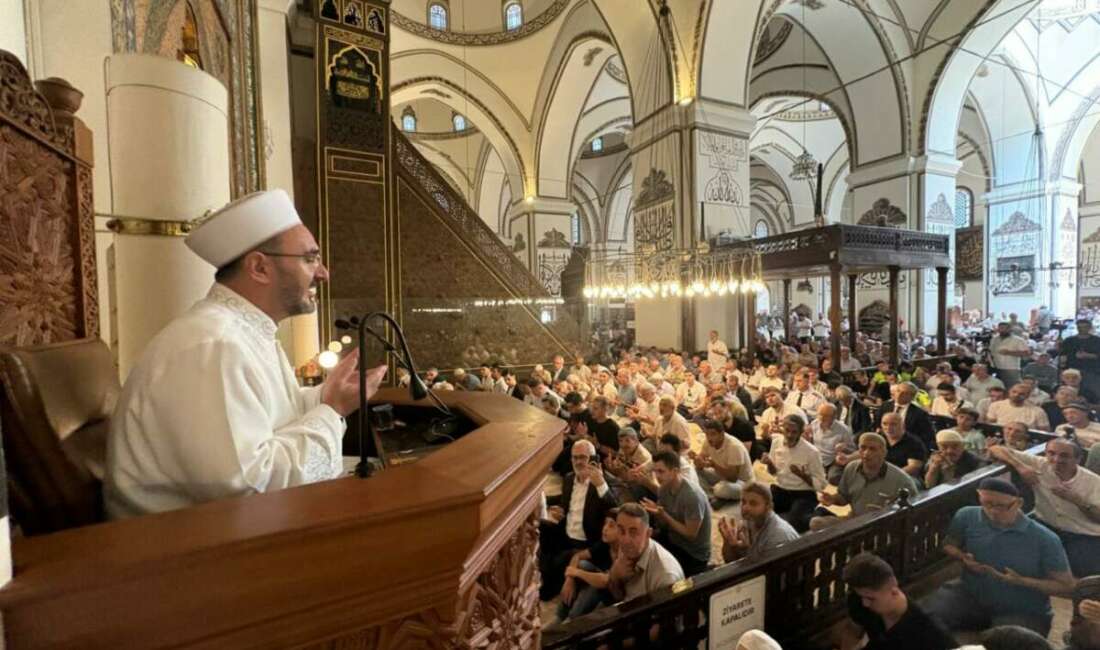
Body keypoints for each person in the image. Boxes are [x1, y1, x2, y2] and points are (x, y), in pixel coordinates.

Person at [106, 190, 388, 518]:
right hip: (189, 552)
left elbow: (274, 419)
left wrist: (327, 395)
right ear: (259, 268)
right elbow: (248, 486)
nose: (323, 273)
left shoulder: (246, 332)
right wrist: (331, 409)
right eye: (310, 259)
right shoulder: (214, 344)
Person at [922, 478, 1075, 638]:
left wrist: (1021, 581)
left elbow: (1066, 587)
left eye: (1002, 506)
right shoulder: (967, 515)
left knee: (1009, 642)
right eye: (987, 504)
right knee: (923, 619)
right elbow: (948, 544)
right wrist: (962, 557)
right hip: (970, 594)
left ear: (1019, 503)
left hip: (1023, 610)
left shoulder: (1045, 539)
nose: (993, 511)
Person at [990, 437, 1100, 577]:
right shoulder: (1040, 464)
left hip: (1082, 534)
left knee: (1083, 572)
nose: (1056, 459)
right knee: (1006, 551)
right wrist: (1021, 467)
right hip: (1047, 525)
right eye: (1051, 453)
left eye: (1064, 456)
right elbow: (996, 449)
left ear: (1078, 459)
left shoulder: (1094, 482)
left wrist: (1078, 501)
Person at [539, 440, 619, 600]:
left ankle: (548, 590)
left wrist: (600, 484)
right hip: (567, 532)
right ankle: (546, 574)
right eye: (575, 458)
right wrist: (560, 511)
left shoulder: (605, 482)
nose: (578, 462)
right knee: (540, 529)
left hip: (587, 542)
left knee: (560, 559)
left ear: (592, 459)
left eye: (583, 457)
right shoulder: (569, 479)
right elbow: (564, 502)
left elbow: (615, 509)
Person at [842, 552, 956, 650]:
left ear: (894, 591)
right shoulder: (859, 601)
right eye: (861, 596)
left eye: (871, 598)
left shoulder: (931, 634)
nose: (865, 603)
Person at [814, 433, 918, 531]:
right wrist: (832, 499)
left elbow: (912, 515)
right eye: (863, 448)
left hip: (882, 527)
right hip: (854, 521)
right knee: (816, 523)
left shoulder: (901, 480)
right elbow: (844, 497)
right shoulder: (851, 467)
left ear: (884, 453)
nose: (866, 453)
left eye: (872, 449)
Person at [641, 451, 713, 576]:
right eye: (655, 471)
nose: (657, 476)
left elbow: (691, 534)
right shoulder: (663, 488)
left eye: (661, 471)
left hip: (693, 553)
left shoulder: (692, 496)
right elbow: (663, 525)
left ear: (675, 471)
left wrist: (664, 515)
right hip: (673, 539)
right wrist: (657, 515)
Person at [762, 414, 827, 532]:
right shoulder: (776, 442)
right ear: (782, 428)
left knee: (794, 526)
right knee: (761, 515)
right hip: (781, 489)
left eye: (794, 432)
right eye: (787, 430)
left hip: (803, 494)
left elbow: (822, 485)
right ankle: (789, 513)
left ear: (801, 432)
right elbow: (774, 473)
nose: (790, 435)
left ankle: (820, 512)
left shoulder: (811, 452)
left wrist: (802, 475)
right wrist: (769, 464)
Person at [607, 503, 684, 602]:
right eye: (621, 530)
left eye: (633, 532)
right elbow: (617, 596)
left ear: (648, 534)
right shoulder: (627, 548)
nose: (625, 540)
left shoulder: (665, 577)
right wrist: (615, 575)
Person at [556, 510, 619, 623]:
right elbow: (578, 556)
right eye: (605, 523)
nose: (605, 528)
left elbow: (605, 581)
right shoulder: (605, 544)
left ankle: (570, 621)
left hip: (616, 596)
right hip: (603, 586)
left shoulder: (625, 551)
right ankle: (560, 617)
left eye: (611, 525)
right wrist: (569, 579)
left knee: (595, 584)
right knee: (582, 565)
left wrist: (575, 572)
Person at [718, 482, 799, 563]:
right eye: (743, 502)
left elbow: (761, 571)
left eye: (753, 504)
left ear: (769, 507)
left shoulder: (778, 537)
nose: (746, 508)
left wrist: (745, 552)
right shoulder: (749, 521)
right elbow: (729, 561)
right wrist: (728, 543)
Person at [692, 419, 753, 504]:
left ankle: (718, 494)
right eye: (707, 434)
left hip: (741, 483)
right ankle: (711, 497)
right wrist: (696, 460)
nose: (709, 438)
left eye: (713, 434)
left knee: (722, 490)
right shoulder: (708, 442)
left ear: (721, 434)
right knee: (694, 471)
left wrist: (713, 465)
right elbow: (700, 463)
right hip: (721, 476)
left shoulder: (734, 447)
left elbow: (733, 478)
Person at [875, 382, 934, 449]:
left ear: (912, 397)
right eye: (898, 391)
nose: (899, 395)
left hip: (907, 446)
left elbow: (927, 436)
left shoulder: (920, 414)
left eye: (904, 393)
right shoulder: (885, 406)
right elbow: (877, 424)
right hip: (884, 443)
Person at [808, 403, 854, 484]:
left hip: (833, 460)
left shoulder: (843, 429)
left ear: (834, 417)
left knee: (833, 478)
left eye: (826, 416)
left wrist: (844, 447)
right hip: (817, 458)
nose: (822, 418)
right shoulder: (814, 424)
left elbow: (853, 449)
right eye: (820, 414)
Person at [879, 411, 928, 479]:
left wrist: (889, 477)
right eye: (885, 424)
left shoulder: (914, 442)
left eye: (893, 424)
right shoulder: (878, 439)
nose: (888, 427)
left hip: (907, 478)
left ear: (903, 425)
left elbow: (914, 468)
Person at [985, 383, 1051, 431]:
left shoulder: (1038, 411)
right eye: (1014, 392)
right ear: (1009, 391)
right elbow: (990, 426)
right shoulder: (996, 406)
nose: (1016, 395)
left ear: (1027, 396)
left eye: (1021, 394)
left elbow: (1044, 432)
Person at [1062, 319, 1100, 398]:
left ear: (1089, 328)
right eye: (1079, 327)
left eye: (1084, 327)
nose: (1082, 329)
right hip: (1072, 370)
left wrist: (1088, 355)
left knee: (1091, 393)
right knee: (1071, 392)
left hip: (1091, 370)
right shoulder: (1069, 340)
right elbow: (1063, 355)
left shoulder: (1097, 340)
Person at [990, 321, 1031, 387]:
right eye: (1000, 328)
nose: (1001, 330)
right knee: (999, 387)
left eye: (1003, 328)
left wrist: (1009, 352)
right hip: (997, 367)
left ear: (1009, 329)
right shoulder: (994, 339)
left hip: (1011, 368)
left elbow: (1026, 353)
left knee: (1012, 387)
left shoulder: (1018, 340)